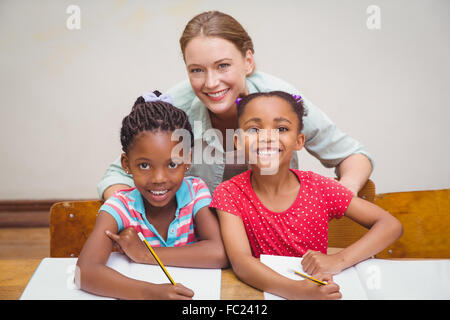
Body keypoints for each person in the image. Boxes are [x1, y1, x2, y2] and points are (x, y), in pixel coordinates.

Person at [98, 11, 373, 200]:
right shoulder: (176, 107)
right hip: (201, 240)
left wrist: (340, 198)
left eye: (223, 66)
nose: (210, 82)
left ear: (248, 62)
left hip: (272, 234)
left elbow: (354, 157)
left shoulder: (283, 100)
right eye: (196, 70)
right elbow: (117, 175)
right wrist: (131, 216)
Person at [209, 91, 403, 300]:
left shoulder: (319, 188)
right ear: (237, 141)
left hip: (321, 289)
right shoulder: (229, 193)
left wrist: (338, 260)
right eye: (254, 129)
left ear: (299, 141)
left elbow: (391, 225)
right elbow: (242, 262)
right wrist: (296, 290)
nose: (266, 138)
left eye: (281, 128)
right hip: (265, 295)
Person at [76, 92, 227, 300]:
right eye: (144, 165)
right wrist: (151, 293)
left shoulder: (195, 192)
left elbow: (219, 252)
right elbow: (84, 272)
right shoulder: (120, 206)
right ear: (126, 164)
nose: (159, 178)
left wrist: (145, 254)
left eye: (172, 164)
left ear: (188, 160)